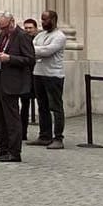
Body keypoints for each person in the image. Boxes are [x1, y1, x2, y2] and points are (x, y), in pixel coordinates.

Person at [0, 12, 36, 163]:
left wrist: (10, 58)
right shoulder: (3, 36)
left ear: (12, 22)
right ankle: (2, 148)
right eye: (0, 28)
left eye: (5, 27)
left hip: (12, 81)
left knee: (12, 118)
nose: (3, 30)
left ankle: (15, 152)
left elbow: (30, 59)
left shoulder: (22, 36)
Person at [30, 9, 68, 149]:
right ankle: (44, 136)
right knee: (42, 106)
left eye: (45, 19)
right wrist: (36, 50)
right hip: (38, 73)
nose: (43, 22)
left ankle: (58, 138)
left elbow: (47, 51)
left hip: (53, 75)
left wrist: (35, 50)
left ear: (53, 19)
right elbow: (33, 48)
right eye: (42, 19)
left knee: (56, 107)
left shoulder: (59, 36)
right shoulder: (40, 35)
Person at [19, 18, 39, 142]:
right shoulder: (22, 40)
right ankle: (23, 132)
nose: (28, 30)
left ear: (35, 28)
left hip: (38, 75)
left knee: (43, 106)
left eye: (30, 28)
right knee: (24, 106)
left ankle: (45, 134)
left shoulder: (38, 40)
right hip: (25, 77)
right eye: (26, 28)